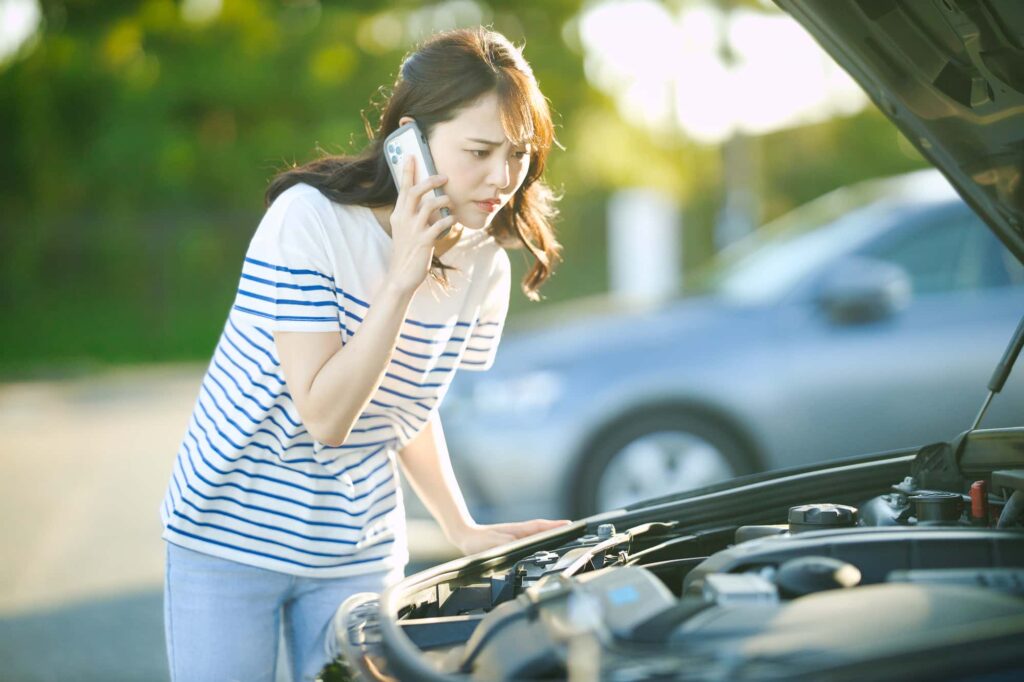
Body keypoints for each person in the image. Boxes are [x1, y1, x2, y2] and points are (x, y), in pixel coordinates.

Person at [160, 26, 569, 682]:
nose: (503, 178)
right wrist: (403, 277)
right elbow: (327, 416)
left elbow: (408, 400)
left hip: (358, 542)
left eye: (518, 154)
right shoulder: (308, 221)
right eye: (480, 150)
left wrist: (459, 525)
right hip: (230, 532)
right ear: (410, 140)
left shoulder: (485, 258)